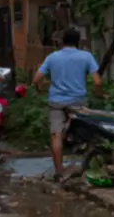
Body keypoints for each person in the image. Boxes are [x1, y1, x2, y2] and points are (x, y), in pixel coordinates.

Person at [33, 27, 101, 180]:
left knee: (55, 137)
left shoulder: (52, 57)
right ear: (78, 42)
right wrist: (99, 93)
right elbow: (97, 82)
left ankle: (59, 172)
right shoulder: (86, 56)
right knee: (88, 134)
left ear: (62, 41)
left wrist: (39, 89)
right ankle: (87, 166)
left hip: (57, 102)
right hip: (78, 102)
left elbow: (36, 79)